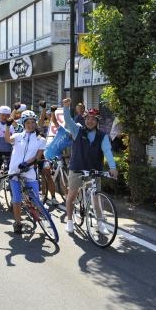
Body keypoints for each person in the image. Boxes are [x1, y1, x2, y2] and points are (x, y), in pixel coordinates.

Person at [62, 98, 117, 234]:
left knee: (96, 197)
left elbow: (107, 152)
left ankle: (100, 223)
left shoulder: (102, 136)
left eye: (93, 119)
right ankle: (69, 221)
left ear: (97, 122)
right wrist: (66, 107)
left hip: (94, 170)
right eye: (88, 119)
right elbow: (68, 122)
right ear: (84, 120)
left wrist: (113, 167)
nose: (90, 121)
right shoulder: (77, 130)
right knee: (72, 195)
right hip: (77, 168)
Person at [4, 110, 46, 234]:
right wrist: (7, 125)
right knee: (16, 199)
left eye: (33, 122)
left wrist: (27, 163)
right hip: (14, 172)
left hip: (29, 171)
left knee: (36, 199)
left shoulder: (40, 139)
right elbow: (7, 139)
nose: (31, 125)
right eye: (28, 122)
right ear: (24, 123)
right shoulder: (17, 136)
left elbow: (38, 157)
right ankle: (18, 223)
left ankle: (36, 211)